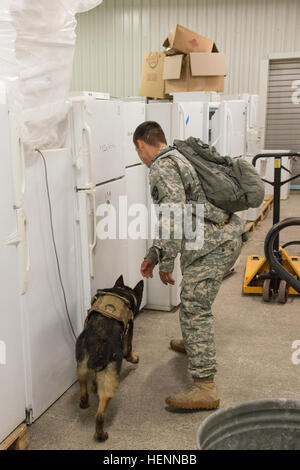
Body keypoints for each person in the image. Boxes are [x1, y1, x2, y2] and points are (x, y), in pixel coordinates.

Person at [133, 121, 248, 410]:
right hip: (222, 235)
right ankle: (193, 342)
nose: (141, 159)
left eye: (138, 152)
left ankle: (205, 387)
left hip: (214, 243)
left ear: (141, 145)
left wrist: (166, 262)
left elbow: (173, 214)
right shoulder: (179, 155)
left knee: (195, 307)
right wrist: (157, 253)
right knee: (192, 298)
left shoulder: (161, 166)